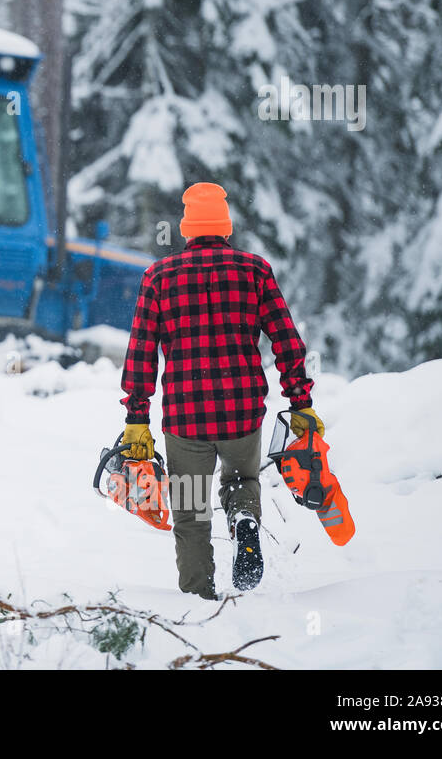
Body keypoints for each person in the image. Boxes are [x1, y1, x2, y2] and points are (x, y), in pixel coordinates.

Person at [119, 183, 320, 599]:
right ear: (226, 227)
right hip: (241, 411)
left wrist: (136, 417)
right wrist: (300, 401)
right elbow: (286, 340)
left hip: (185, 416)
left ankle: (198, 600)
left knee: (191, 512)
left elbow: (140, 352)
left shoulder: (159, 277)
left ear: (187, 228)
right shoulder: (255, 271)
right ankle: (244, 517)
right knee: (242, 479)